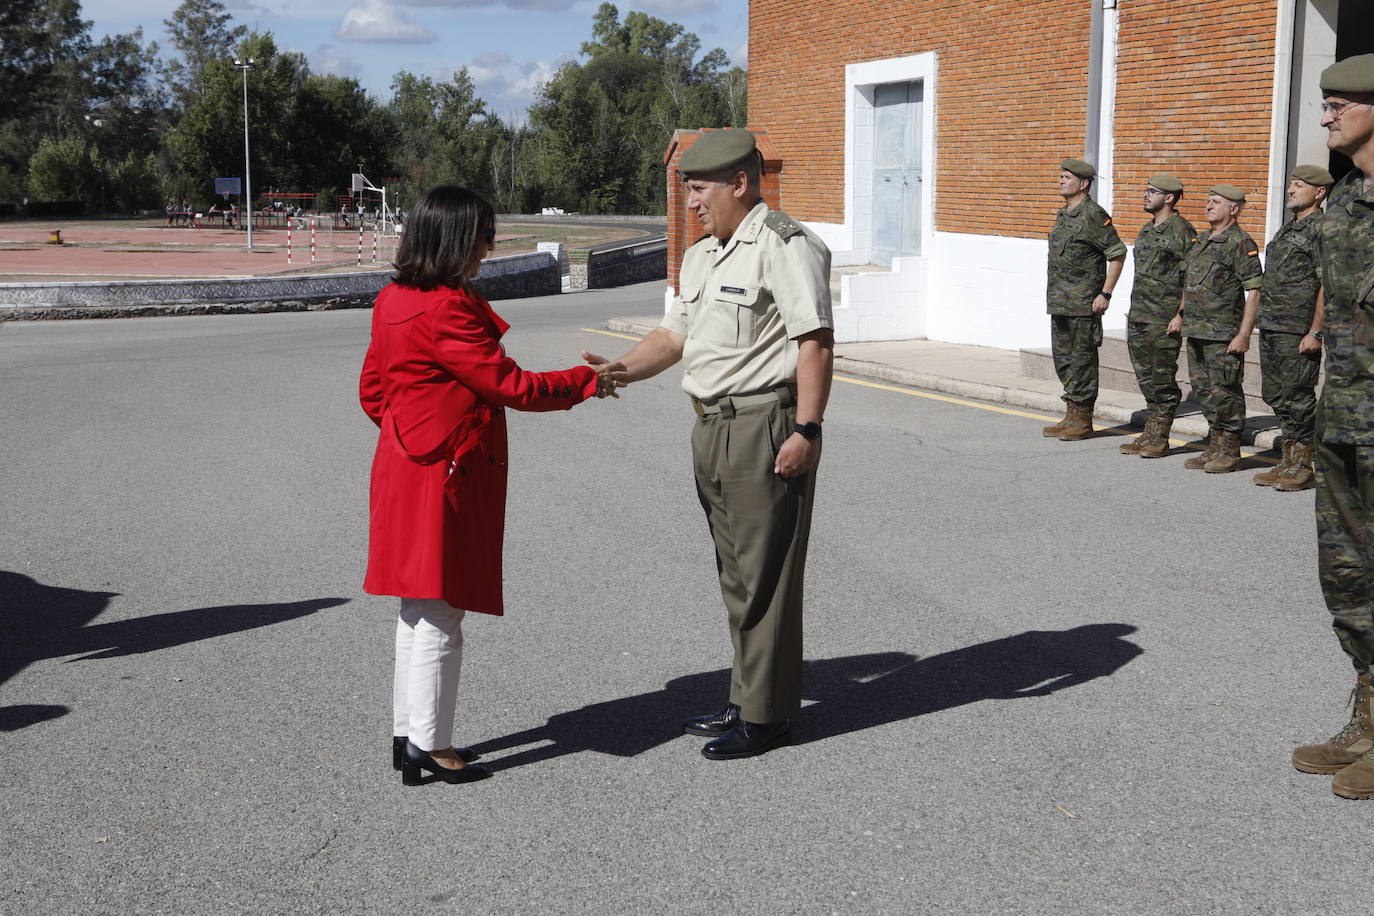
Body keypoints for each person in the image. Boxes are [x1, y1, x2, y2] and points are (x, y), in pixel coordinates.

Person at [582, 129, 833, 760]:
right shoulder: (703, 256)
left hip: (764, 424)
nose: (690, 201)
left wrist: (807, 429)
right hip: (711, 425)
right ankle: (746, 693)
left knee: (766, 574)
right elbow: (673, 339)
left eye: (698, 188)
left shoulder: (784, 245)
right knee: (736, 573)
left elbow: (815, 342)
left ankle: (767, 716)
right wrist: (618, 369)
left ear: (739, 183)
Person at [359, 185, 620, 787]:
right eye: (485, 235)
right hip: (442, 472)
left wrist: (410, 430)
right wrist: (588, 381)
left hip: (405, 464)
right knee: (442, 612)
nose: (490, 246)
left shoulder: (393, 297)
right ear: (456, 240)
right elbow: (514, 388)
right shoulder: (446, 308)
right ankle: (430, 743)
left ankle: (410, 733)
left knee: (417, 608)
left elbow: (373, 391)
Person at [1291, 53, 1374, 800]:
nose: (1325, 116)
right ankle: (1370, 715)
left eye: (1338, 105)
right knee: (1348, 576)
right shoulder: (1345, 205)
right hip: (1346, 418)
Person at [1169, 184, 1263, 473]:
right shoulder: (1203, 240)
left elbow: (1255, 290)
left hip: (1223, 333)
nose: (1208, 205)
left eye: (1216, 202)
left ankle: (1230, 450)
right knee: (1204, 390)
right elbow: (1190, 281)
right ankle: (1214, 445)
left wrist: (1244, 334)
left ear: (1233, 209)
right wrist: (1180, 314)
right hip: (1196, 329)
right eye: (1208, 200)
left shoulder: (1240, 242)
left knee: (1225, 391)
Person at [1252, 165, 1333, 491]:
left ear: (1319, 192)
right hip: (1272, 326)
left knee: (1298, 397)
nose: (1290, 190)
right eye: (1291, 184)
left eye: (1299, 185)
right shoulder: (1287, 230)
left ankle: (1302, 464)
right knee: (1275, 394)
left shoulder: (1322, 229)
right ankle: (1287, 459)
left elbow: (1326, 284)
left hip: (1298, 330)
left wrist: (1316, 332)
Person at [1042, 158, 1127, 441]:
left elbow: (1117, 253)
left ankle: (1083, 419)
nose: (1061, 181)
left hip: (1083, 304)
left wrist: (1105, 293)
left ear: (1083, 183)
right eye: (1061, 176)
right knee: (1063, 360)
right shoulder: (1064, 214)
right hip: (1060, 302)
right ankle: (1071, 413)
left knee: (1082, 362)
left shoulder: (1093, 215)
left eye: (1067, 177)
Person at [1119, 173, 1195, 458]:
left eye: (1152, 191)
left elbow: (1192, 275)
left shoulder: (1182, 231)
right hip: (1140, 314)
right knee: (1145, 377)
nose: (1146, 195)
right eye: (1146, 190)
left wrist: (1181, 314)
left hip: (1164, 318)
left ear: (1170, 198)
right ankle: (1150, 431)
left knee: (1162, 378)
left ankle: (1160, 438)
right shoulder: (1147, 229)